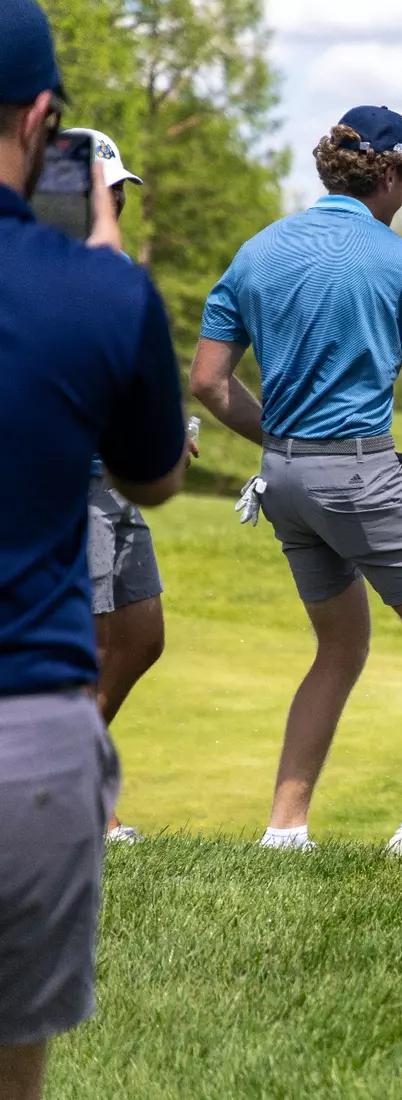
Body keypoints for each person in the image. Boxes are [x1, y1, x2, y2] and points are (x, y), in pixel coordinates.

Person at [190, 105, 402, 856]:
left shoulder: (258, 250)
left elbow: (209, 383)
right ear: (392, 173)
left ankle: (285, 829)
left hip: (282, 479)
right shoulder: (399, 262)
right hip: (361, 476)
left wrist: (277, 439)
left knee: (339, 647)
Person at [0, 2, 189, 1095]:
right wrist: (110, 270)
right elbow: (154, 472)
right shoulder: (101, 292)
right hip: (24, 731)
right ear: (40, 121)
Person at [62, 125, 196, 845]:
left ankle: (68, 766)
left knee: (142, 635)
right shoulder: (45, 265)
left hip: (111, 485)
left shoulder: (109, 278)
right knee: (81, 646)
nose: (118, 206)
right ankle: (87, 797)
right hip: (72, 491)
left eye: (120, 195)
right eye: (108, 193)